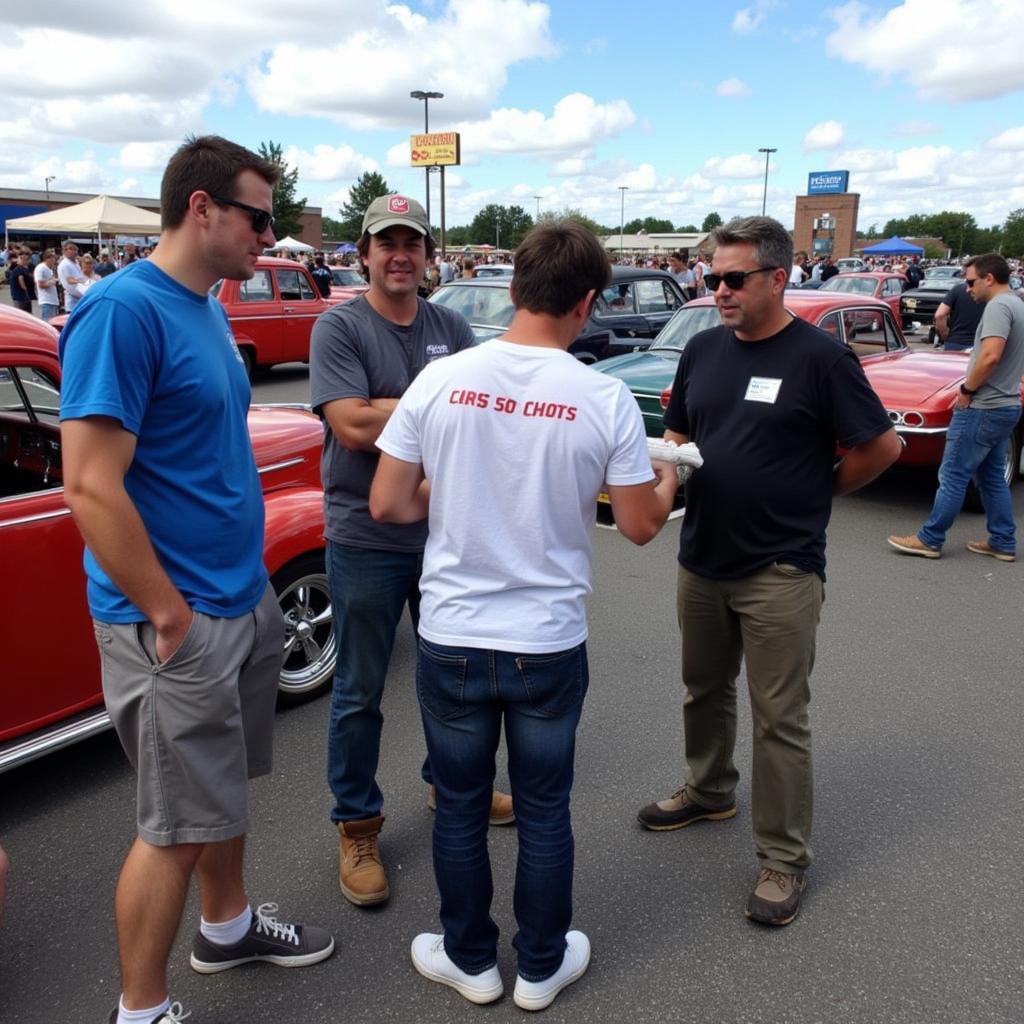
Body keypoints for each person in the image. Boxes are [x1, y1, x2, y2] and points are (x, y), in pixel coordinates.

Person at [59, 135, 334, 1024]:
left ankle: (228, 925)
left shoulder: (206, 306)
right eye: (260, 216)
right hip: (175, 623)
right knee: (171, 826)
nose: (273, 235)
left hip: (235, 597)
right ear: (203, 208)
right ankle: (140, 1010)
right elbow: (89, 484)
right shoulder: (122, 312)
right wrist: (165, 612)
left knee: (218, 792)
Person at [369, 221, 679, 1009]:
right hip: (546, 640)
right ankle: (540, 966)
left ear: (511, 290)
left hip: (453, 635)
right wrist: (670, 474)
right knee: (544, 809)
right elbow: (641, 525)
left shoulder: (439, 381)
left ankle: (470, 959)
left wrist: (467, 485)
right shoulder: (603, 395)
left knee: (461, 807)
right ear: (588, 303)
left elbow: (389, 503)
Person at [637, 216, 900, 926]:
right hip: (703, 557)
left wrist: (822, 491)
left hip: (780, 569)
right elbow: (681, 432)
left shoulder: (821, 359)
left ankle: (783, 859)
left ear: (778, 277)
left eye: (732, 278)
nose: (717, 290)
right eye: (710, 276)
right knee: (703, 689)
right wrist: (665, 471)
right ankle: (709, 789)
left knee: (780, 717)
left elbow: (882, 446)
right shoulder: (703, 352)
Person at [309, 194, 512, 910]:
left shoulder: (449, 324)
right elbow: (353, 425)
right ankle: (357, 826)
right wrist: (434, 403)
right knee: (360, 690)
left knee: (453, 675)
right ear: (362, 253)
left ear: (428, 257)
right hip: (365, 536)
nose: (400, 254)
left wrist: (401, 404)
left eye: (412, 244)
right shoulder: (338, 326)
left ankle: (450, 783)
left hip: (443, 534)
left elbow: (478, 414)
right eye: (385, 242)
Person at [888, 253, 1024, 563]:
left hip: (983, 405)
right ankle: (1002, 540)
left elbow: (990, 356)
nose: (968, 289)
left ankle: (930, 538)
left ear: (989, 278)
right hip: (1006, 404)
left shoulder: (998, 307)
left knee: (952, 475)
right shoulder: (1017, 303)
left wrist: (966, 390)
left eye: (971, 282)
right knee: (990, 478)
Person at [933, 279, 982, 351]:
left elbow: (939, 315)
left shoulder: (957, 289)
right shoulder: (992, 294)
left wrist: (944, 335)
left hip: (955, 343)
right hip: (982, 344)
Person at [58, 241, 86, 313]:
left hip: (81, 302)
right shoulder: (65, 265)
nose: (75, 251)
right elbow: (70, 286)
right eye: (72, 249)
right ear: (64, 250)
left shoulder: (76, 263)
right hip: (73, 304)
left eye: (76, 249)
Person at [34, 249, 60, 321]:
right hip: (46, 301)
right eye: (53, 258)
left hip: (53, 301)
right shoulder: (41, 268)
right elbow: (41, 284)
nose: (55, 260)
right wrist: (53, 281)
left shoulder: (49, 269)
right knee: (48, 322)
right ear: (48, 258)